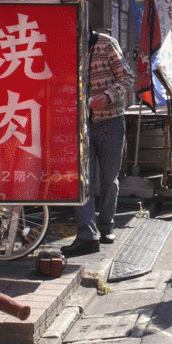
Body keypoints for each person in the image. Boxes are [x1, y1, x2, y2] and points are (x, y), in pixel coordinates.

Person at [61, 30, 134, 256]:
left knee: (109, 179)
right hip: (79, 124)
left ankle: (106, 225)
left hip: (111, 121)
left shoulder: (105, 43)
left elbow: (127, 77)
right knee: (84, 180)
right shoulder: (64, 44)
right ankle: (87, 235)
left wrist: (107, 97)